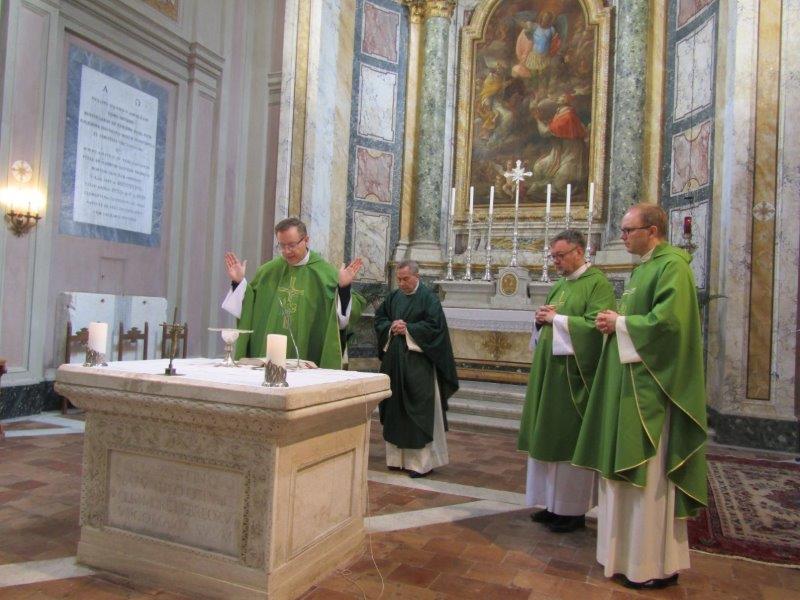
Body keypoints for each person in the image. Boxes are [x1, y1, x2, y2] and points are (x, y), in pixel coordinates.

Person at [572, 204, 708, 589]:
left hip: (651, 391)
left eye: (628, 230)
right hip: (630, 385)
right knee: (625, 479)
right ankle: (623, 557)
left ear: (652, 230)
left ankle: (650, 564)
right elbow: (635, 321)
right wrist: (613, 324)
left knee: (647, 477)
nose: (622, 237)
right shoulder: (643, 268)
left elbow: (669, 324)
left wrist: (620, 323)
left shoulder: (672, 266)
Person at [518, 230, 615, 533]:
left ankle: (572, 511)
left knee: (567, 441)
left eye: (560, 256)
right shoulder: (560, 285)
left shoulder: (597, 284)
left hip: (573, 380)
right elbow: (547, 324)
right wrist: (539, 319)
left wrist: (556, 320)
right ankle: (552, 504)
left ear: (579, 252)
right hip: (550, 376)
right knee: (547, 439)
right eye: (553, 256)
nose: (556, 262)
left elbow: (597, 328)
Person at [222, 217, 365, 369]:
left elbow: (342, 320)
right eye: (282, 246)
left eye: (291, 245)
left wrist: (343, 288)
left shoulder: (326, 273)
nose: (286, 251)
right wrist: (238, 283)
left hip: (307, 357)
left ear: (306, 240)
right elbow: (248, 307)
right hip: (267, 358)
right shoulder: (268, 271)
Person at [374, 260, 459, 478]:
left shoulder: (429, 299)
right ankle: (397, 460)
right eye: (399, 279)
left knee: (418, 412)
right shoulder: (394, 297)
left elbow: (436, 328)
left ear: (417, 276)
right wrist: (391, 327)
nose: (401, 283)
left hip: (419, 365)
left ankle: (421, 464)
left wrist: (409, 329)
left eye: (405, 279)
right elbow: (380, 318)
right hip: (394, 363)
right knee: (395, 410)